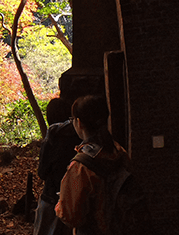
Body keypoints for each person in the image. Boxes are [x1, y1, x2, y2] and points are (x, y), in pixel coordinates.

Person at [55, 95, 130, 234]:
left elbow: (71, 216)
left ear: (79, 122)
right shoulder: (118, 151)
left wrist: (60, 204)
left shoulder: (81, 167)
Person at [35, 97, 82, 235]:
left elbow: (42, 173)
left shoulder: (51, 139)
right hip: (75, 201)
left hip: (51, 197)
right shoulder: (80, 138)